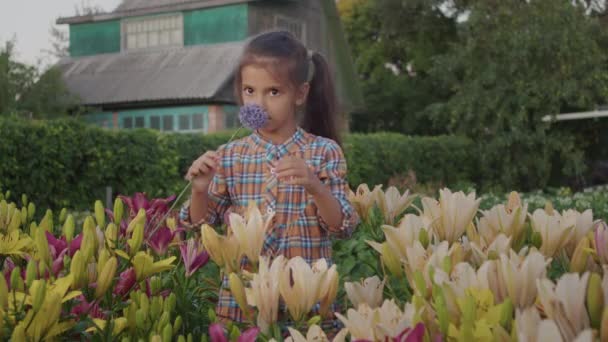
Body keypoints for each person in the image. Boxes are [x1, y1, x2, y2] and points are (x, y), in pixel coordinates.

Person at [179, 30, 359, 327]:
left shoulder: (324, 152)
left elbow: (343, 226)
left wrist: (315, 186)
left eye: (273, 92)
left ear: (300, 94)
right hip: (245, 304)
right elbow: (202, 225)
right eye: (250, 91)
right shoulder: (230, 155)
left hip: (307, 302)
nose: (259, 104)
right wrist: (200, 191)